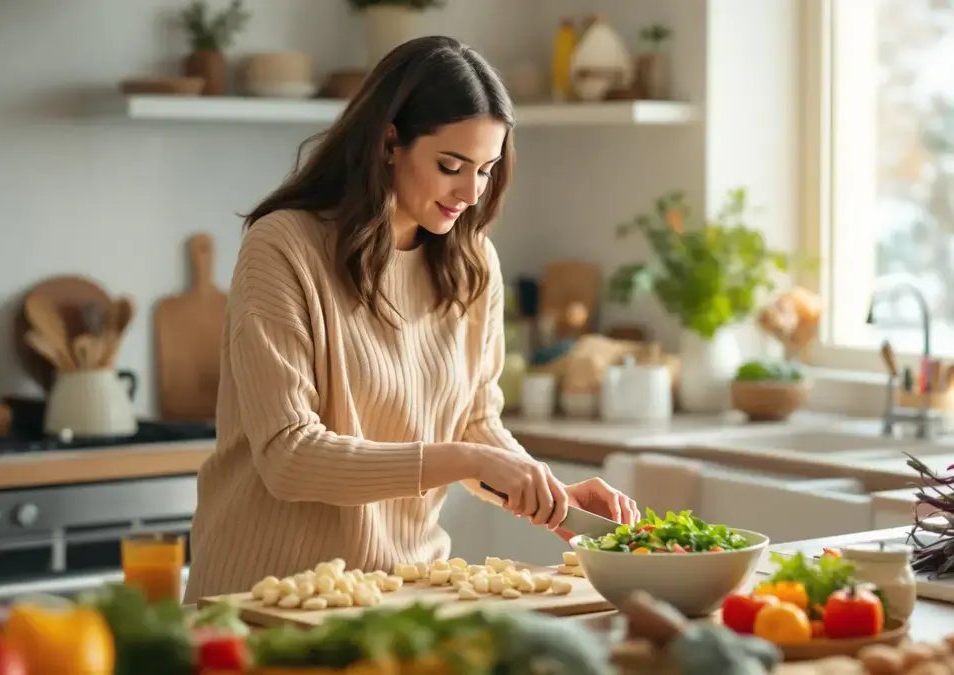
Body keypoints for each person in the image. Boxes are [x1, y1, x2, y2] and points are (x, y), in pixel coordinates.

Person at [184, 36, 640, 600]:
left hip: (403, 595)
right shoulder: (283, 247)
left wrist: (551, 494)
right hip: (265, 598)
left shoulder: (473, 266)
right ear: (389, 142)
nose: (471, 192)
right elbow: (288, 456)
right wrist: (465, 459)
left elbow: (473, 422)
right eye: (451, 165)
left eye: (487, 170)